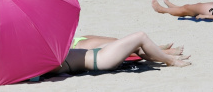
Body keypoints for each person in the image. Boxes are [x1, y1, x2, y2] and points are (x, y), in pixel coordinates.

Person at [48, 32, 191, 76]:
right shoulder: (50, 62)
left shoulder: (45, 59)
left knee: (130, 45)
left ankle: (163, 55)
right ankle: (170, 61)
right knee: (140, 37)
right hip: (101, 60)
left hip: (97, 55)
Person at [71, 35, 184, 56]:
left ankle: (157, 48)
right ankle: (164, 53)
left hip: (77, 39)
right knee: (125, 48)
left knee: (117, 41)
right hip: (78, 46)